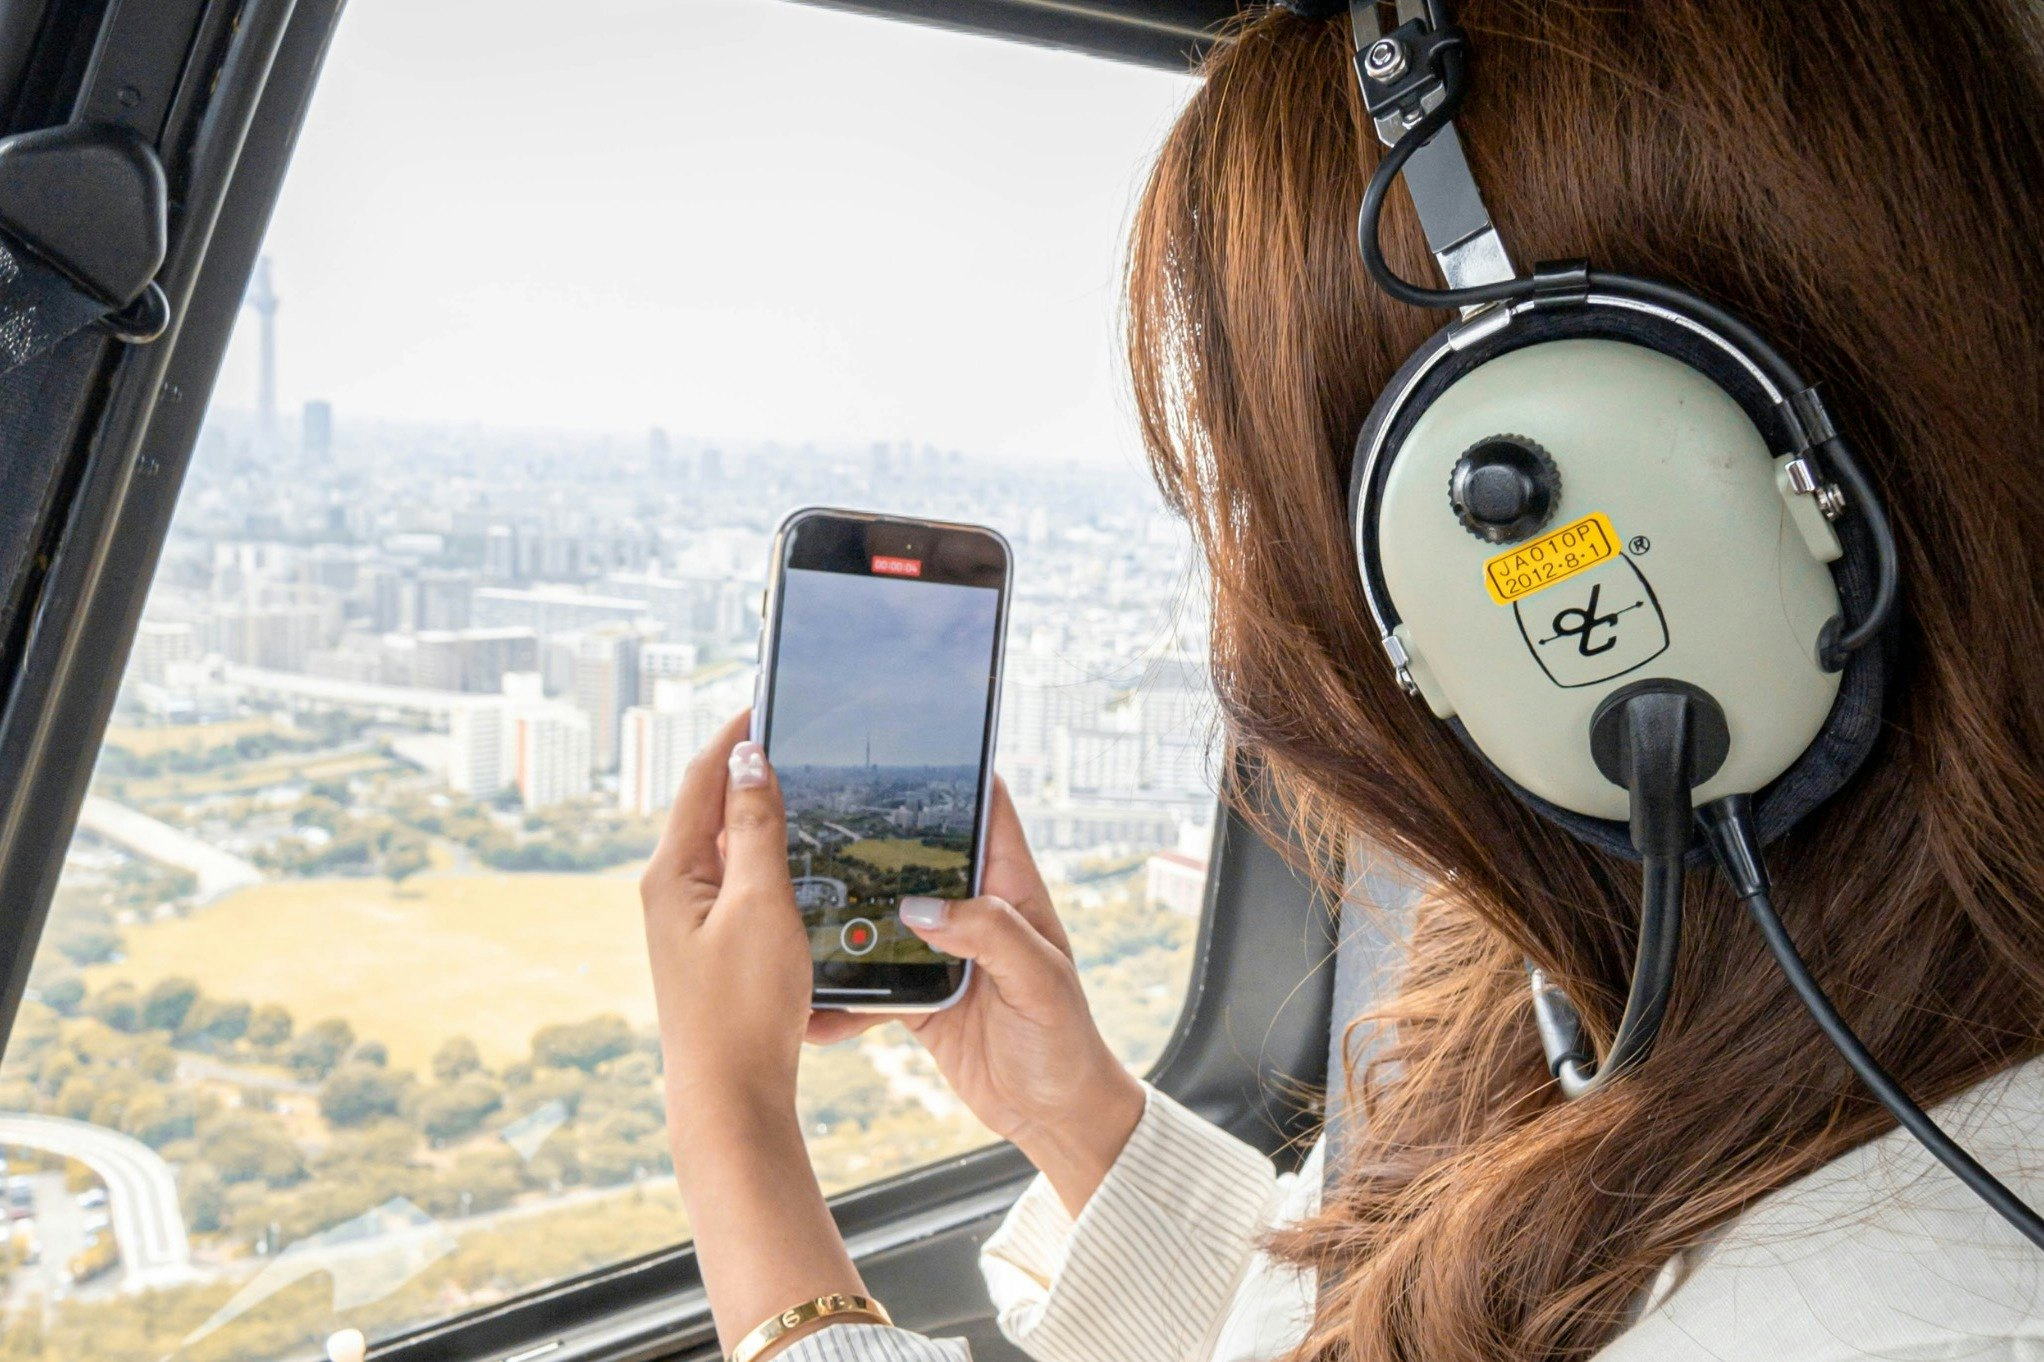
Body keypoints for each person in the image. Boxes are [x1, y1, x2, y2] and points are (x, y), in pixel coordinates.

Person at [640, 2, 2044, 1359]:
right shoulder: (1600, 983)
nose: (1261, 604)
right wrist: (1075, 1115)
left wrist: (728, 1122)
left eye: (1289, 507)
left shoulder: (1938, 1311)